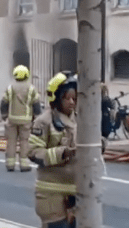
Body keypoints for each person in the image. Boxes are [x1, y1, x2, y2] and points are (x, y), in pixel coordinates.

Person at [28, 71, 106, 228]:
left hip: (75, 192)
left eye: (75, 98)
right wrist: (63, 153)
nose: (72, 102)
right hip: (51, 194)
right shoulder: (43, 122)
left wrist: (99, 145)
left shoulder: (79, 119)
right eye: (67, 98)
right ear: (56, 98)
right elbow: (33, 152)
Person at [1, 65, 41, 172]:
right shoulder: (31, 88)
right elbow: (36, 104)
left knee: (11, 141)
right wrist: (36, 118)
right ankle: (24, 164)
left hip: (12, 119)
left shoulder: (10, 87)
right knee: (24, 142)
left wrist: (4, 116)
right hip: (26, 120)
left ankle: (10, 164)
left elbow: (4, 102)